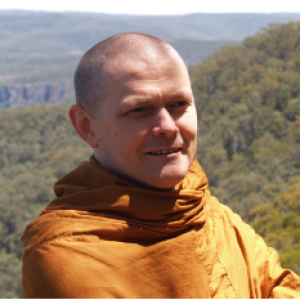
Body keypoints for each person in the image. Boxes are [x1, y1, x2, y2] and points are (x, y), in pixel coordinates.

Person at [21, 33, 300, 298]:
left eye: (179, 104)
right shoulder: (66, 254)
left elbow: (276, 284)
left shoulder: (197, 201)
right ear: (87, 126)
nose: (167, 126)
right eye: (139, 110)